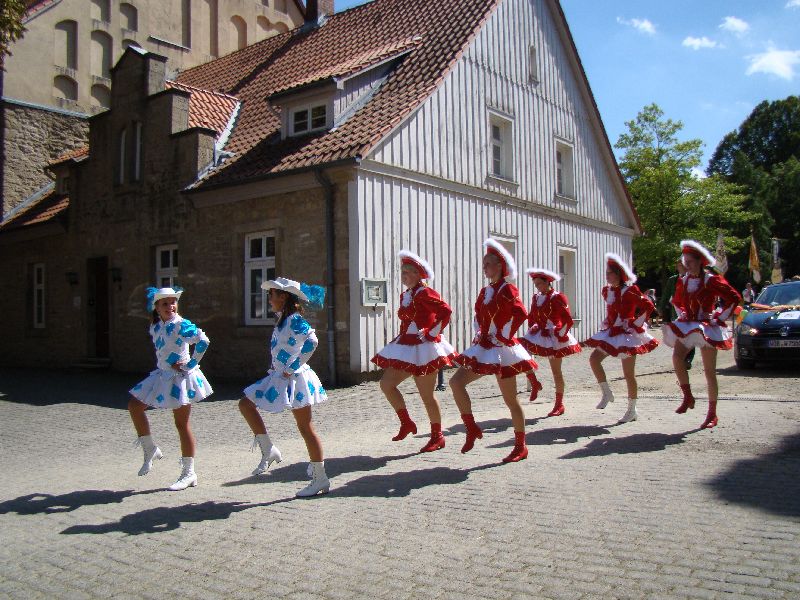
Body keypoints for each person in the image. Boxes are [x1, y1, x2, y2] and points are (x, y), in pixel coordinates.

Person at [239, 277, 330, 497]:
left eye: (271, 295)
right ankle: (269, 449)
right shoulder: (284, 319)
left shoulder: (294, 319)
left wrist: (293, 366)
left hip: (294, 379)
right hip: (279, 376)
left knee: (306, 428)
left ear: (283, 296)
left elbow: (312, 341)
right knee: (245, 404)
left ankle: (320, 478)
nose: (269, 299)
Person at [450, 239, 538, 463]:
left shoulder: (508, 288)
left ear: (500, 266)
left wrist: (503, 335)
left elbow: (520, 313)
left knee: (511, 400)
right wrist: (480, 331)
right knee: (456, 382)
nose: (485, 268)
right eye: (483, 264)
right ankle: (471, 428)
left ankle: (520, 446)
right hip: (485, 346)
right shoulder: (485, 291)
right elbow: (478, 315)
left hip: (502, 349)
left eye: (488, 264)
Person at [128, 287, 213, 491]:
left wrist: (190, 364)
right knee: (134, 406)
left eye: (173, 302)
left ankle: (189, 473)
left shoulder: (181, 324)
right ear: (156, 308)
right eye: (165, 303)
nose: (170, 306)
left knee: (181, 424)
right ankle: (150, 448)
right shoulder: (156, 325)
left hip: (180, 379)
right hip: (161, 376)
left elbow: (203, 341)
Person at [371, 250, 456, 453]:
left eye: (408, 272)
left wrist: (431, 332)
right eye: (402, 272)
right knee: (386, 384)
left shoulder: (425, 292)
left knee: (426, 395)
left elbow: (445, 311)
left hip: (424, 348)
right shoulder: (406, 295)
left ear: (418, 274)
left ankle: (437, 436)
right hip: (406, 346)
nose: (404, 275)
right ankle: (406, 422)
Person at [662, 240, 741, 429]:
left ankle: (712, 413)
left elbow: (734, 298)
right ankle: (687, 395)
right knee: (677, 357)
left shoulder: (711, 279)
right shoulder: (684, 280)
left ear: (700, 261)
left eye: (690, 261)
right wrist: (682, 312)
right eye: (685, 262)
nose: (687, 265)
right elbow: (677, 300)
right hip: (689, 324)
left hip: (706, 326)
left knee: (709, 372)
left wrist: (719, 316)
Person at [582, 253, 658, 423]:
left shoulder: (630, 291)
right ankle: (606, 392)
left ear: (619, 274)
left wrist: (636, 323)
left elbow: (648, 306)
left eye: (610, 273)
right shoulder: (607, 291)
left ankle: (632, 409)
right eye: (606, 273)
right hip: (611, 333)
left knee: (628, 374)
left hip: (627, 335)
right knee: (594, 359)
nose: (607, 276)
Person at [519, 267, 581, 417]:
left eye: (540, 283)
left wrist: (560, 334)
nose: (538, 287)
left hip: (554, 336)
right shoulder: (536, 297)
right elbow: (532, 316)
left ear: (548, 282)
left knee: (556, 372)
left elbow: (567, 319)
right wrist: (533, 327)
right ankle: (534, 382)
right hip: (539, 332)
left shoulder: (558, 297)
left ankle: (559, 404)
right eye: (536, 284)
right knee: (519, 353)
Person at [658, 259, 695, 369]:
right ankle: (681, 358)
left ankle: (688, 359)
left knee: (691, 335)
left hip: (691, 311)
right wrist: (661, 307)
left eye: (683, 265)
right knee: (679, 335)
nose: (681, 267)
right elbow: (666, 294)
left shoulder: (693, 278)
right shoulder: (672, 280)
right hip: (676, 312)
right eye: (679, 265)